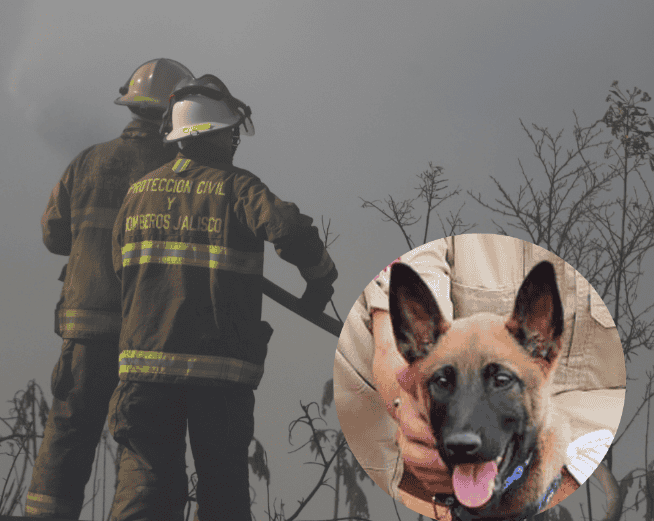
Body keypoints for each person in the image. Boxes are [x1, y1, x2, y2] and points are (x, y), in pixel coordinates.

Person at [109, 74, 338, 521]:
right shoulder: (238, 188)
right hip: (219, 373)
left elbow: (122, 271)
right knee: (223, 492)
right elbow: (290, 230)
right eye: (230, 130)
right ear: (217, 134)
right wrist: (320, 279)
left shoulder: (136, 195)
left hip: (145, 372)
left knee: (145, 491)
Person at [333, 234, 626, 520]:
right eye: (442, 382)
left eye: (500, 382)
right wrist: (404, 406)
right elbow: (393, 339)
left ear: (543, 345)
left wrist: (566, 471)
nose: (463, 436)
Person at [27, 58, 194, 519]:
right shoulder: (183, 174)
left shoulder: (88, 162)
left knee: (66, 437)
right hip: (149, 337)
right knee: (142, 443)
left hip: (83, 329)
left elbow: (53, 236)